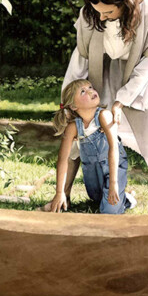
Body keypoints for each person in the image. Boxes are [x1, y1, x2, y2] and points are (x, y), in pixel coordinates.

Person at [58, 0, 148, 215]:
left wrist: (122, 100)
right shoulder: (91, 14)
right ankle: (64, 192)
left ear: (124, 4)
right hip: (105, 60)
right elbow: (81, 57)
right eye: (97, 11)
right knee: (82, 119)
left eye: (108, 12)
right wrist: (70, 94)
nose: (101, 17)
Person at [50, 79, 135, 214]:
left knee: (110, 211)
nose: (91, 91)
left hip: (113, 166)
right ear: (73, 106)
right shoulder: (73, 127)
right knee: (95, 197)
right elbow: (63, 159)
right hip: (92, 169)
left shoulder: (104, 115)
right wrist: (59, 192)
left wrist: (113, 183)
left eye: (90, 87)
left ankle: (125, 200)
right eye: (83, 91)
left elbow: (113, 148)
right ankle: (120, 197)